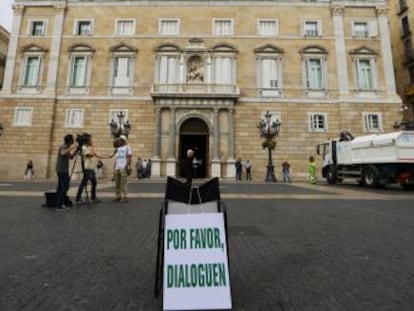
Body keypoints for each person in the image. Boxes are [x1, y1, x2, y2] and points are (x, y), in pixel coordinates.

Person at [75, 135, 104, 205]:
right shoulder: (84, 148)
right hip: (87, 168)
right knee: (84, 183)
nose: (91, 141)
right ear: (87, 141)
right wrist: (92, 148)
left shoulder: (86, 147)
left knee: (93, 182)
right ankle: (78, 199)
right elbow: (89, 155)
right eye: (90, 139)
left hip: (90, 167)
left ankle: (92, 198)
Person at [55, 134, 78, 211]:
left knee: (61, 187)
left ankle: (58, 202)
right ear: (70, 140)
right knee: (65, 186)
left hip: (63, 169)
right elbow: (62, 153)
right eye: (72, 139)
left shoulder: (67, 147)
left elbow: (71, 157)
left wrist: (76, 150)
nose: (73, 141)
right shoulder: (63, 146)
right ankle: (59, 205)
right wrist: (73, 147)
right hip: (61, 169)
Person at [111, 135, 132, 202]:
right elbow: (115, 158)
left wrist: (127, 165)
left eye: (120, 140)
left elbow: (129, 157)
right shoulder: (118, 148)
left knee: (124, 182)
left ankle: (125, 196)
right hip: (117, 166)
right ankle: (118, 196)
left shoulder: (127, 147)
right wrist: (114, 167)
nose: (119, 141)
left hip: (123, 166)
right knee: (117, 182)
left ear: (123, 141)